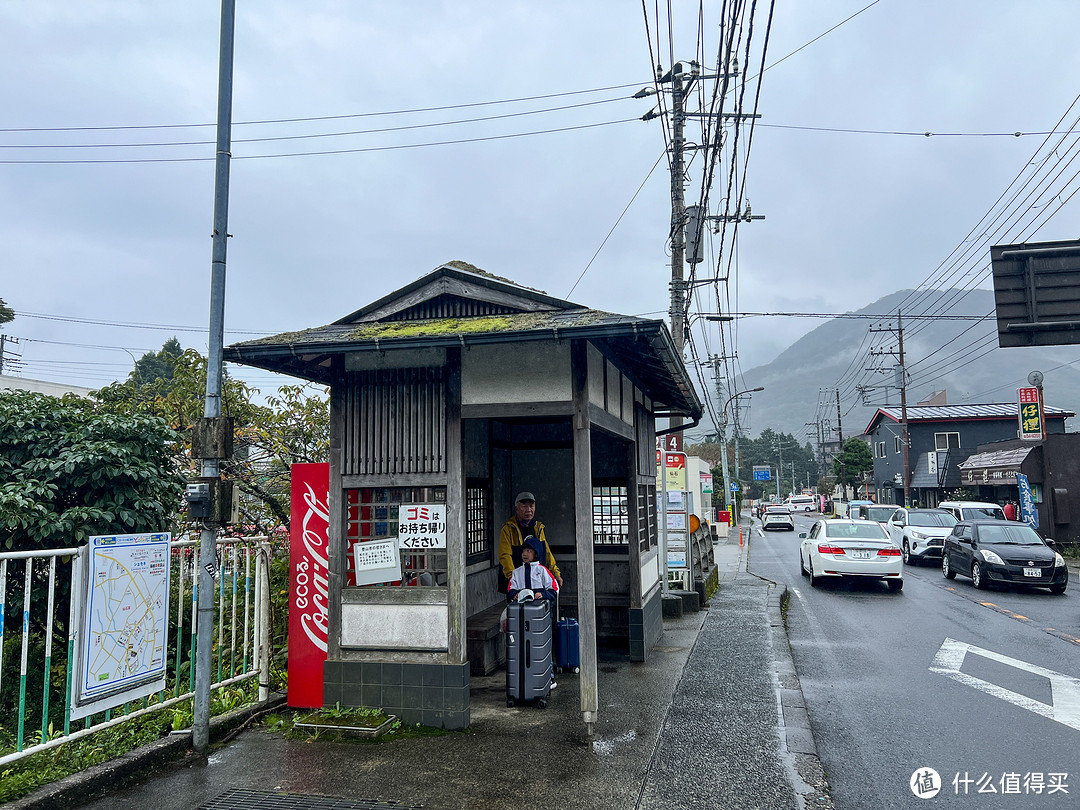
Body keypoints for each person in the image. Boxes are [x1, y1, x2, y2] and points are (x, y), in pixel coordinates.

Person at [499, 492, 562, 592]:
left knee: (540, 605)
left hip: (538, 579)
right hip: (517, 581)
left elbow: (546, 552)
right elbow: (505, 555)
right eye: (524, 506)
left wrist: (555, 573)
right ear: (516, 509)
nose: (529, 510)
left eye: (531, 506)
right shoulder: (508, 529)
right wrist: (513, 577)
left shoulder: (538, 527)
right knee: (518, 607)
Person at [507, 535, 559, 603]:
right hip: (522, 609)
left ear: (536, 554)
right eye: (523, 551)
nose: (525, 554)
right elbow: (510, 588)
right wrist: (515, 594)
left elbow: (555, 589)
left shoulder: (542, 570)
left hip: (540, 608)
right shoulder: (516, 572)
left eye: (529, 551)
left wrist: (543, 594)